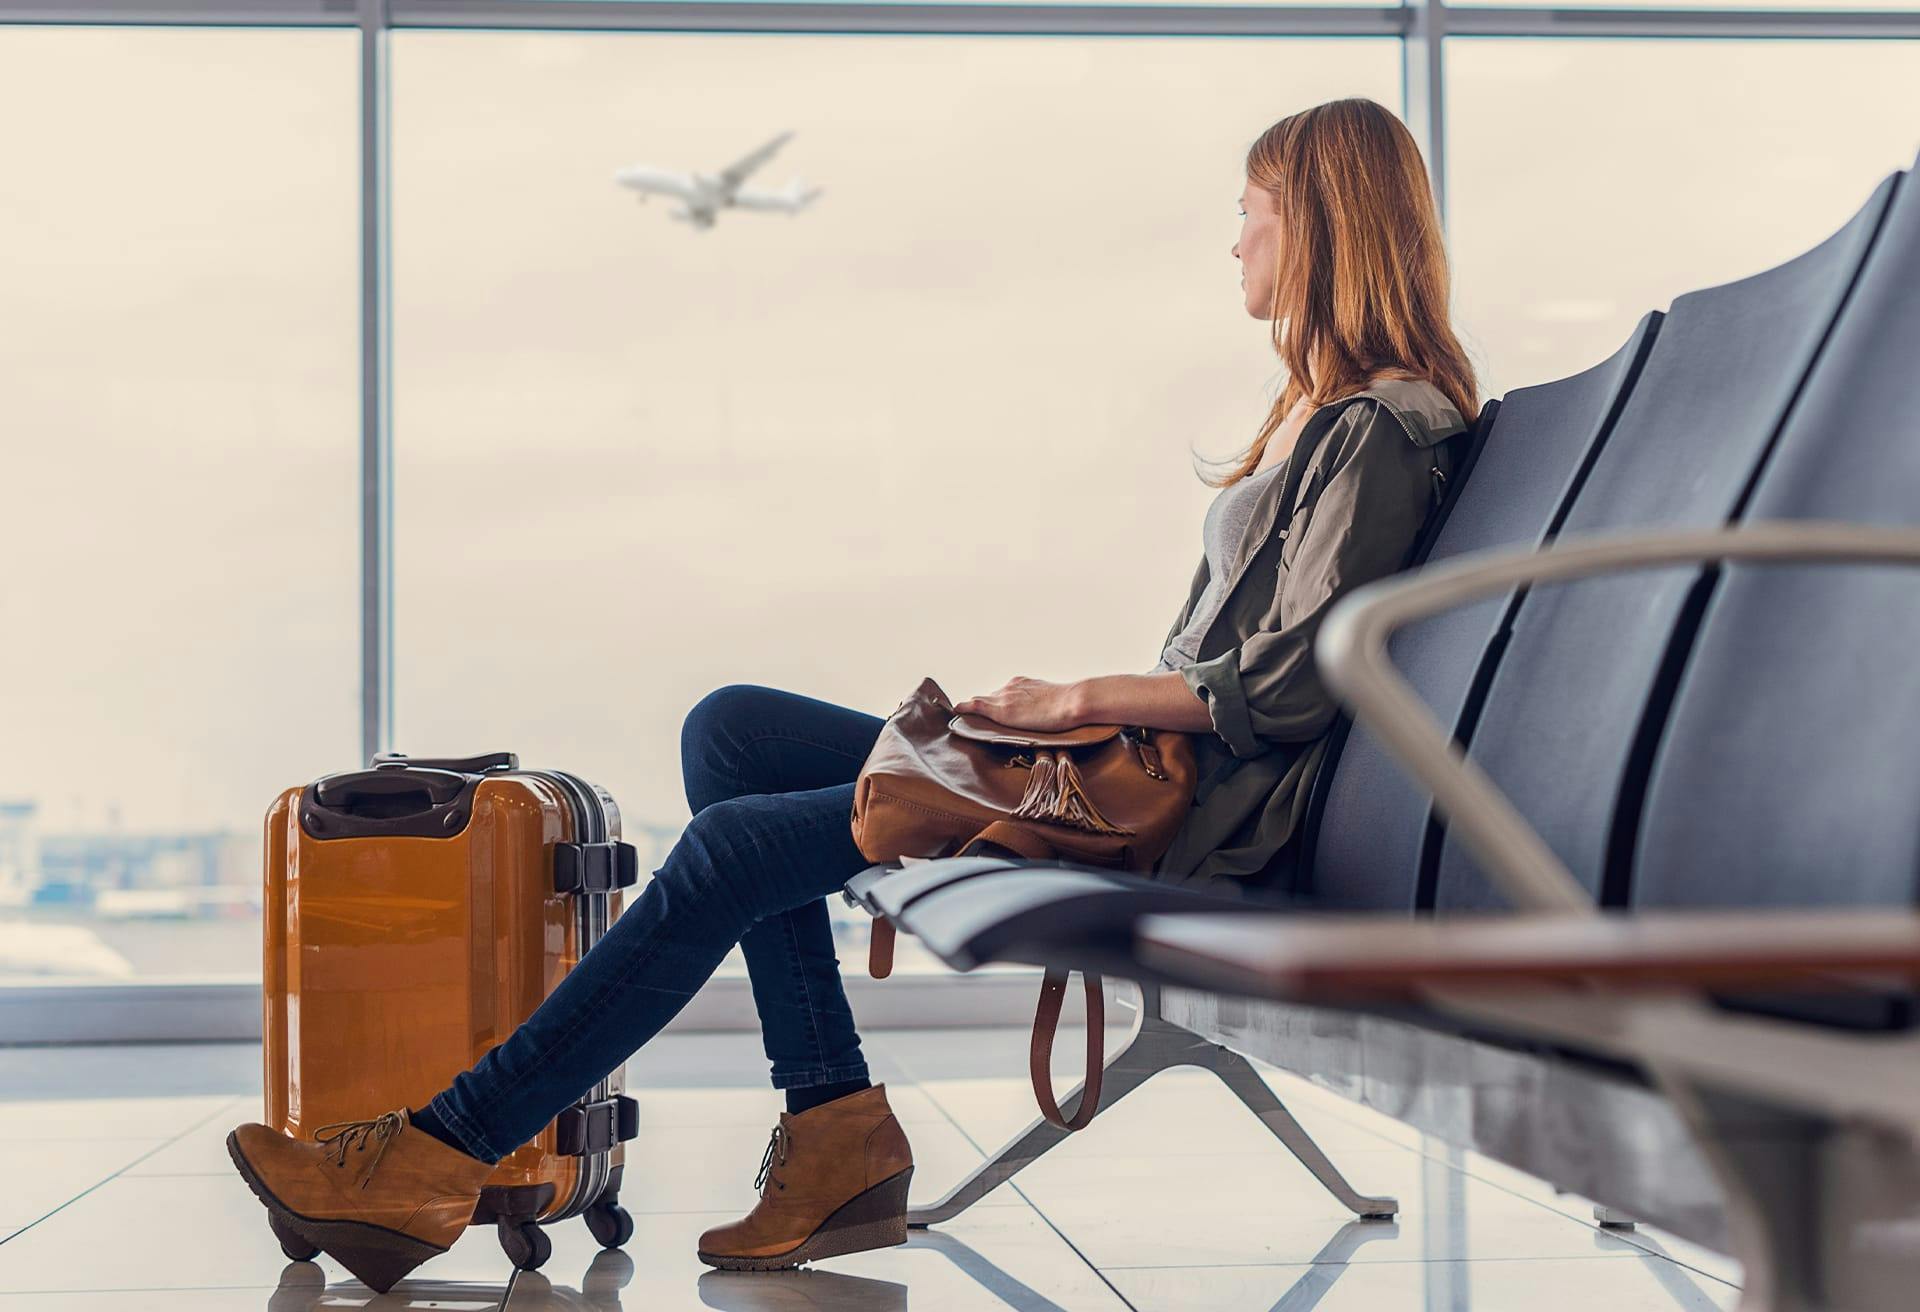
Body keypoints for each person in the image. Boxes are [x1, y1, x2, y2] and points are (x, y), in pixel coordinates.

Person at [224, 95, 1480, 1293]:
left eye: (1255, 207)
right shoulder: (1333, 418)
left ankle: (435, 1156)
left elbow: (1293, 686)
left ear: (1319, 226)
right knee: (734, 730)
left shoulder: (1381, 428)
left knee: (728, 848)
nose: (1237, 236)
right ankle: (834, 1122)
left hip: (1188, 821)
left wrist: (1065, 703)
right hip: (1137, 778)